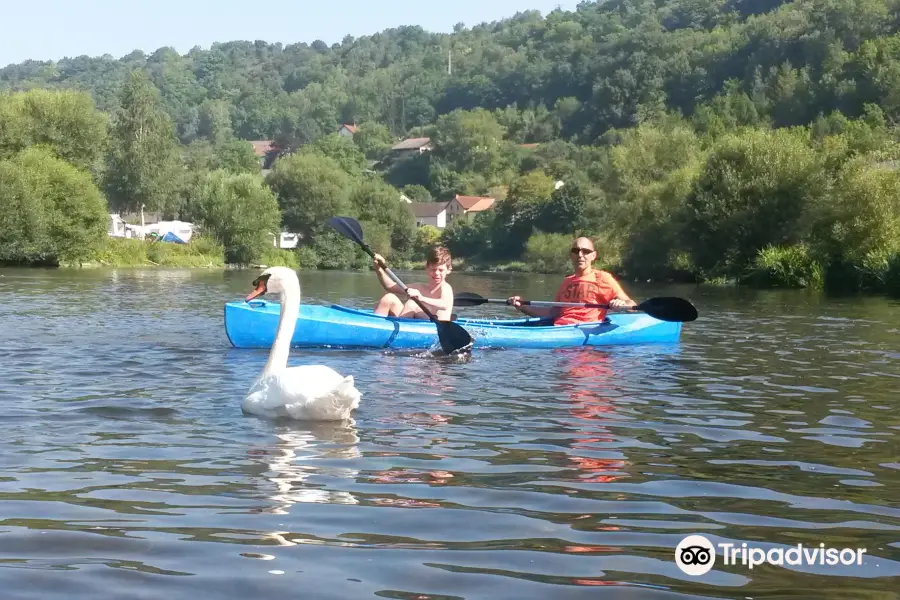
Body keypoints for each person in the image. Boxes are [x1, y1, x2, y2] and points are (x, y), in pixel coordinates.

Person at [508, 237, 636, 325]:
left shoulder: (603, 278)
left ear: (593, 255)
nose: (580, 255)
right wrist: (522, 306)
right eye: (576, 251)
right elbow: (552, 312)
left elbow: (632, 305)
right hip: (560, 330)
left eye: (585, 251)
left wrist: (620, 304)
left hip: (584, 337)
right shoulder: (567, 281)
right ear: (571, 255)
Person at [373, 245, 454, 320]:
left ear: (448, 270)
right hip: (410, 323)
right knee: (388, 298)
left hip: (435, 328)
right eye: (433, 269)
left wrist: (421, 298)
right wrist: (379, 269)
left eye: (441, 270)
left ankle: (399, 329)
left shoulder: (446, 288)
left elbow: (444, 304)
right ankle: (375, 326)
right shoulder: (419, 287)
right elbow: (390, 286)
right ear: (427, 268)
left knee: (412, 303)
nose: (436, 273)